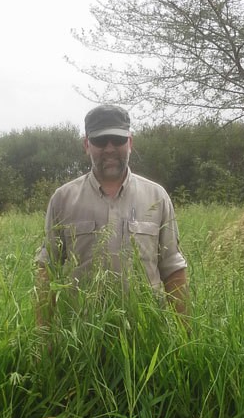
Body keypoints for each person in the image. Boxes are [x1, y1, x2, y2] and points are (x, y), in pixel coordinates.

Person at [37, 104, 188, 318]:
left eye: (117, 140)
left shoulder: (157, 197)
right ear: (87, 144)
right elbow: (47, 270)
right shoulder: (63, 199)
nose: (109, 148)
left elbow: (173, 268)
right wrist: (44, 339)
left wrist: (184, 336)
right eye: (100, 141)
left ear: (130, 143)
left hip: (145, 338)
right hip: (80, 339)